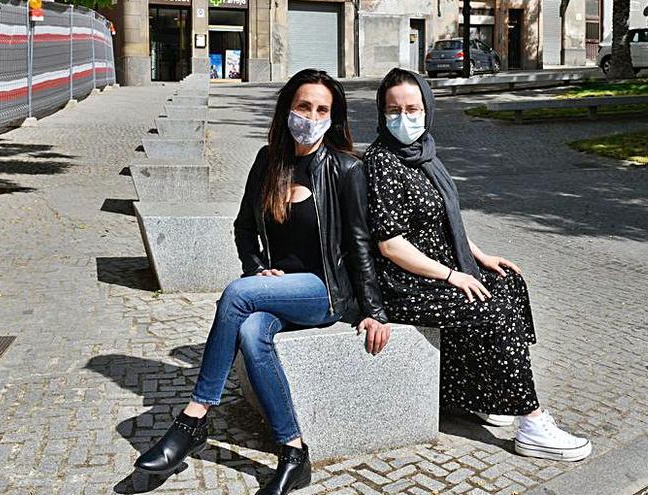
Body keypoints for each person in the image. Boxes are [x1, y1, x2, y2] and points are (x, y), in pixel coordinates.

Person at [134, 69, 391, 494]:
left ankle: (194, 418)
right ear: (288, 109)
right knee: (252, 331)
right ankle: (294, 452)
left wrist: (373, 312)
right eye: (304, 106)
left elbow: (361, 243)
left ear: (334, 116)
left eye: (322, 109)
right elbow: (242, 228)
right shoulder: (268, 161)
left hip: (324, 292)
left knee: (236, 295)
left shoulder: (346, 168)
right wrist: (256, 269)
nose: (311, 116)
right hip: (276, 291)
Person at [363, 68, 592, 462]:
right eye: (394, 109)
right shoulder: (382, 162)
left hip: (439, 267)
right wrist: (454, 275)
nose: (404, 118)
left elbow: (443, 219)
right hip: (405, 283)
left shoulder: (425, 156)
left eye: (412, 108)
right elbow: (391, 245)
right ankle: (532, 422)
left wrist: (481, 256)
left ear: (427, 109)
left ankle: (487, 391)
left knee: (508, 283)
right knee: (492, 306)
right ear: (382, 113)